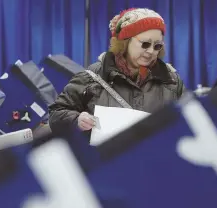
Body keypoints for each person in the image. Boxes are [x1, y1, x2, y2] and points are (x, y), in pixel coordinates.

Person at [49, 8, 185, 133]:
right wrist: (76, 119)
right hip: (105, 158)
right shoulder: (92, 77)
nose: (151, 51)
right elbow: (56, 114)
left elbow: (189, 121)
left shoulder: (172, 81)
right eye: (145, 44)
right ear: (124, 42)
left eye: (157, 46)